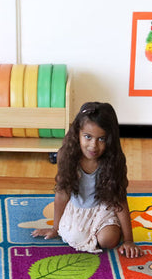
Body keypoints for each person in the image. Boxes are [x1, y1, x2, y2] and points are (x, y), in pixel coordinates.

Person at [31, 102, 142, 258]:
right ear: (77, 133)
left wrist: (129, 240)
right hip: (77, 208)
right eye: (88, 137)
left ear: (110, 139)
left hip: (102, 208)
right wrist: (55, 228)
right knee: (73, 236)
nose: (93, 146)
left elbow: (120, 200)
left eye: (101, 139)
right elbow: (62, 194)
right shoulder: (67, 156)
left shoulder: (113, 160)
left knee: (108, 240)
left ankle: (111, 227)